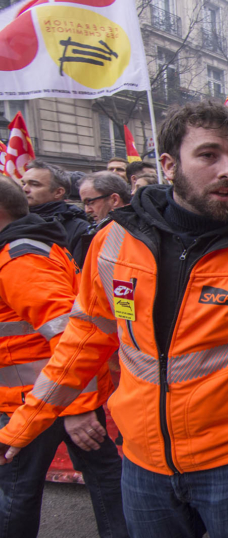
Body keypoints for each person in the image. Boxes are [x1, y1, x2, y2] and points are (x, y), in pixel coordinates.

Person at [0, 101, 228, 537]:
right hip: (142, 464)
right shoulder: (113, 241)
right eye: (208, 155)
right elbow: (85, 338)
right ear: (168, 164)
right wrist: (29, 419)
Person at [0, 178, 126, 538]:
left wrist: (77, 408)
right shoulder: (25, 249)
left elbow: (73, 336)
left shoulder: (19, 258)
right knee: (105, 479)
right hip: (52, 397)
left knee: (16, 492)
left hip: (40, 400)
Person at [21, 159, 90, 257]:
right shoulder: (12, 220)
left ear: (58, 192)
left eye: (34, 184)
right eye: (23, 184)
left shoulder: (79, 228)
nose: (25, 189)